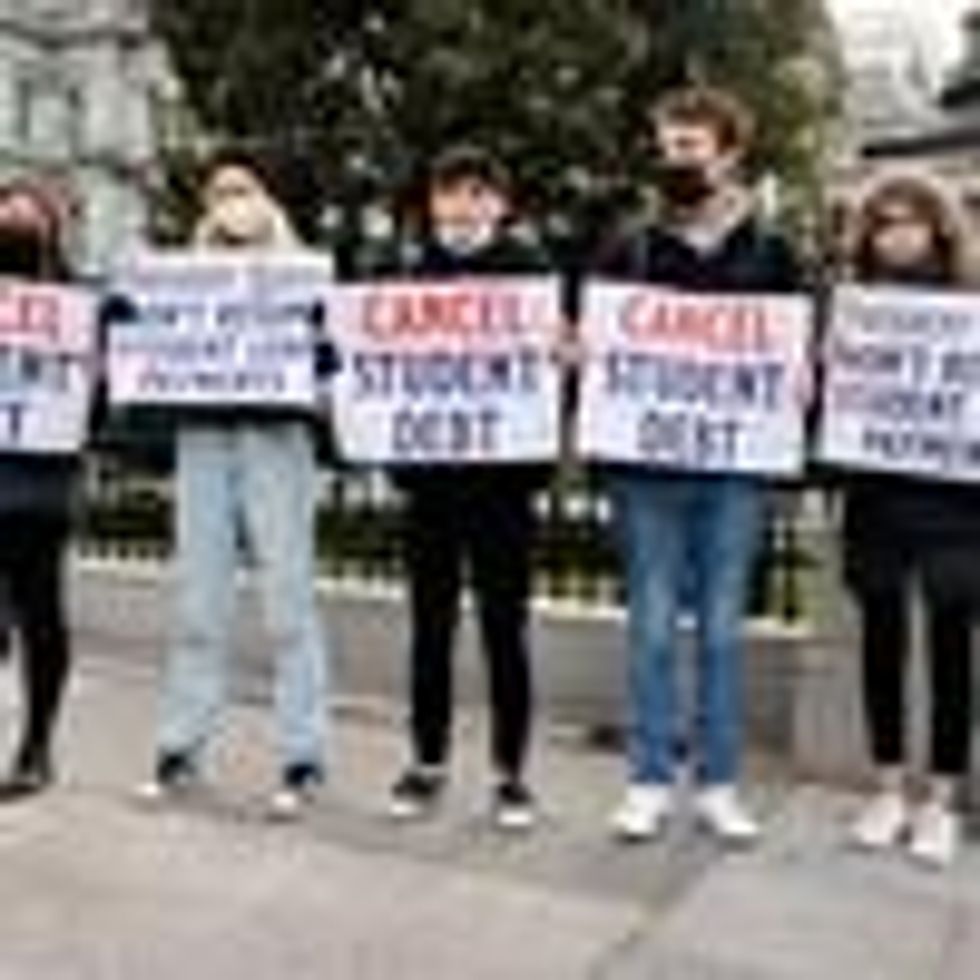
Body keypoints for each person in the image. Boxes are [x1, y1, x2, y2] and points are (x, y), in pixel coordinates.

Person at [597, 87, 803, 844]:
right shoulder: (630, 245)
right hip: (645, 468)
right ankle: (648, 781)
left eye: (691, 144)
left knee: (722, 631)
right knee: (650, 627)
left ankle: (718, 784)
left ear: (728, 153)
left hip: (733, 473)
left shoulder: (773, 249)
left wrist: (803, 371)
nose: (676, 157)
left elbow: (793, 349)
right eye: (668, 143)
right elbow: (599, 339)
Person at [137, 149, 331, 819]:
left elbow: (334, 361)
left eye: (244, 189)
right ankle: (178, 746)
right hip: (204, 439)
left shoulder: (305, 277)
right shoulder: (180, 280)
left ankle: (303, 756)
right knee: (198, 603)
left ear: (268, 200)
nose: (232, 201)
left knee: (289, 603)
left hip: (277, 440)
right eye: (220, 192)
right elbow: (142, 346)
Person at [381, 146, 552, 831]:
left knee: (505, 633)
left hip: (504, 489)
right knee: (429, 632)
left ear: (499, 205)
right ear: (431, 204)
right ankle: (427, 763)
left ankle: (512, 774)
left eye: (476, 194)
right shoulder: (404, 275)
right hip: (430, 487)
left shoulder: (530, 276)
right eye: (448, 194)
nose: (461, 207)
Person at [841, 174, 978, 868]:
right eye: (883, 223)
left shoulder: (971, 306)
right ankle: (889, 788)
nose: (897, 234)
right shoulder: (851, 309)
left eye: (912, 221)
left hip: (956, 508)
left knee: (952, 652)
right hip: (877, 499)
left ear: (939, 229)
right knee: (881, 644)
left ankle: (943, 801)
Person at [0, 180, 77, 800]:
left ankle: (36, 745)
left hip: (39, 492)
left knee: (41, 619)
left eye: (28, 224)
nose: (17, 233)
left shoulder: (75, 307)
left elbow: (96, 406)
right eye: (6, 223)